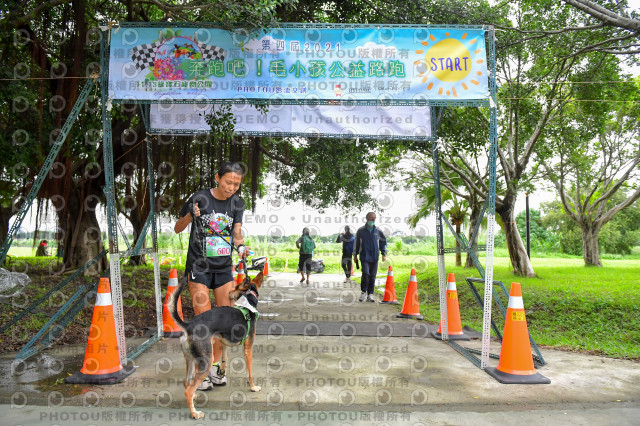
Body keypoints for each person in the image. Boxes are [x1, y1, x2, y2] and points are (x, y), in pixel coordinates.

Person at [174, 161, 248, 391]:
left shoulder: (237, 203)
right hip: (199, 267)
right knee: (204, 323)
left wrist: (241, 246)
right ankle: (201, 370)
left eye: (236, 184)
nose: (232, 188)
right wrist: (190, 214)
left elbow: (236, 233)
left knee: (224, 323)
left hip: (223, 269)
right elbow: (178, 227)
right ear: (217, 178)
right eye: (228, 182)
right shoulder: (200, 197)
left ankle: (213, 367)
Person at [354, 212, 387, 302]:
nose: (373, 219)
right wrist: (355, 255)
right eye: (371, 217)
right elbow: (356, 243)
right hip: (364, 256)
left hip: (374, 257)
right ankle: (363, 292)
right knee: (365, 273)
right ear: (367, 218)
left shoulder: (378, 231)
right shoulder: (361, 231)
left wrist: (383, 253)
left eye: (374, 218)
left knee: (372, 276)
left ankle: (370, 294)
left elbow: (383, 242)